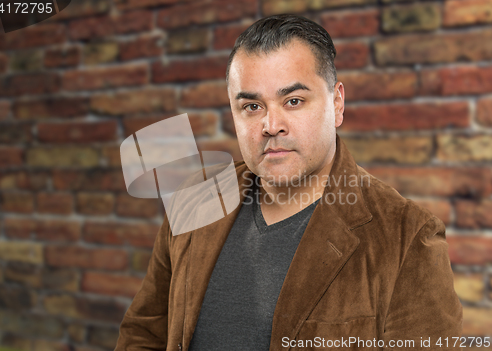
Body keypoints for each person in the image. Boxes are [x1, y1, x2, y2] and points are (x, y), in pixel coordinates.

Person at [115, 14, 462, 351]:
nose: (271, 124)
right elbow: (143, 333)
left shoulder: (407, 238)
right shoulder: (196, 198)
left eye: (293, 101)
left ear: (337, 103)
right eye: (251, 106)